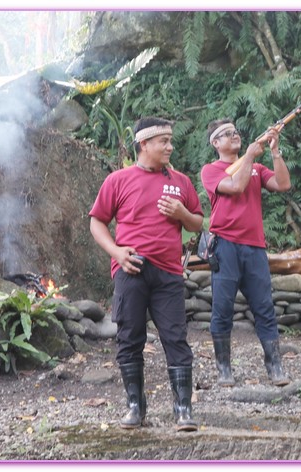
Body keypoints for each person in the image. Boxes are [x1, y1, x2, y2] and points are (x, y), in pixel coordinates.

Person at [89, 117, 204, 432]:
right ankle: (135, 407)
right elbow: (97, 222)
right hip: (131, 268)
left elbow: (197, 222)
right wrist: (115, 252)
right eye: (163, 141)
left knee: (176, 339)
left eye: (170, 140)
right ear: (144, 144)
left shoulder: (180, 181)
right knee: (129, 338)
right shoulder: (118, 180)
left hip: (168, 272)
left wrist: (182, 214)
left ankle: (183, 410)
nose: (170, 146)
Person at [200, 119, 292, 387]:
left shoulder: (256, 168)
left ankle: (274, 365)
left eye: (235, 131)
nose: (234, 135)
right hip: (225, 246)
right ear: (215, 143)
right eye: (226, 134)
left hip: (254, 247)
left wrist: (275, 151)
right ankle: (224, 369)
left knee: (264, 306)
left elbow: (282, 184)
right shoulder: (211, 170)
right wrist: (250, 156)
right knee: (222, 308)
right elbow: (236, 187)